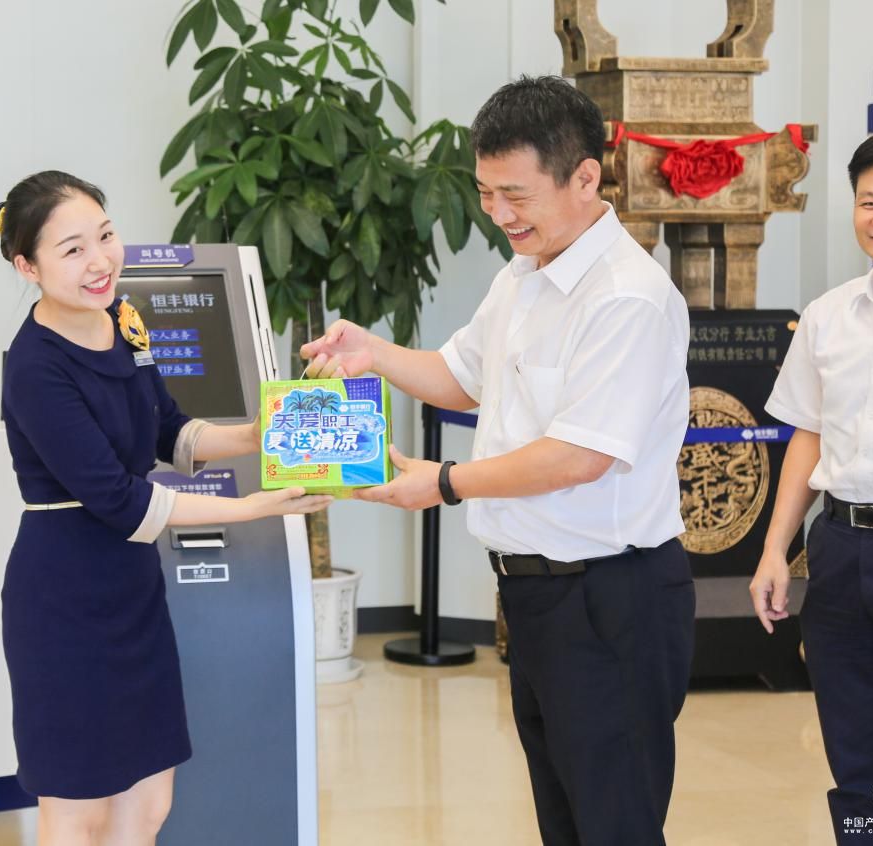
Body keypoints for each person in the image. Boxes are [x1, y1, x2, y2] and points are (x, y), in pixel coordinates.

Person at [302, 76, 694, 845]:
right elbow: (460, 376)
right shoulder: (522, 276)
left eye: (515, 194)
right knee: (563, 816)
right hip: (536, 595)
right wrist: (372, 352)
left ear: (585, 177)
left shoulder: (626, 297)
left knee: (613, 820)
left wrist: (443, 483)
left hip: (610, 596)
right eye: (485, 193)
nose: (498, 214)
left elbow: (579, 457)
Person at [0, 170, 331, 846]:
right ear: (27, 266)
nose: (100, 261)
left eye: (105, 236)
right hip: (64, 601)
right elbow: (119, 499)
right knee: (79, 810)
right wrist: (253, 507)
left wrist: (266, 431)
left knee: (147, 804)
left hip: (131, 589)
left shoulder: (124, 323)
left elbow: (168, 431)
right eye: (72, 250)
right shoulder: (34, 367)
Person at [749, 128, 873, 843]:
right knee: (860, 762)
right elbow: (808, 433)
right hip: (840, 551)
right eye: (869, 202)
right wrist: (776, 549)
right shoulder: (828, 315)